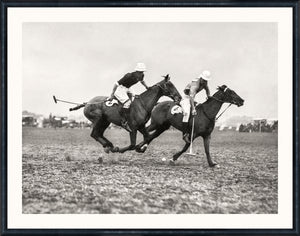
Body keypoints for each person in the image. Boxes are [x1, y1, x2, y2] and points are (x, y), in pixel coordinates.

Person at [109, 63, 149, 132]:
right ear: (136, 71)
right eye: (140, 72)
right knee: (128, 102)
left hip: (128, 88)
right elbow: (116, 84)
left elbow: (142, 81)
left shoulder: (142, 75)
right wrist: (112, 94)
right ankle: (124, 121)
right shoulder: (128, 75)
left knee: (136, 99)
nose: (141, 74)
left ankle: (133, 116)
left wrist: (146, 87)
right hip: (121, 88)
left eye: (142, 72)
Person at [180, 70, 211, 143]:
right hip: (186, 98)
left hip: (192, 98)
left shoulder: (204, 82)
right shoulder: (195, 85)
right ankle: (184, 134)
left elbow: (207, 90)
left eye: (207, 80)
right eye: (204, 80)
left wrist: (208, 96)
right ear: (201, 78)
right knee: (187, 113)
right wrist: (193, 109)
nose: (206, 82)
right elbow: (190, 98)